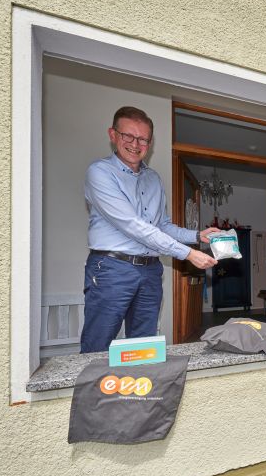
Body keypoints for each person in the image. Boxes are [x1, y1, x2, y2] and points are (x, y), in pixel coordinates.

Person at [81, 106, 218, 353]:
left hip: (150, 272)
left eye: (143, 139)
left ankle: (139, 392)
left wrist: (197, 236)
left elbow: (161, 226)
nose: (135, 144)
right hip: (112, 269)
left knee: (143, 346)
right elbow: (135, 226)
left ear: (150, 143)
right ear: (113, 134)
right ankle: (95, 392)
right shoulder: (100, 172)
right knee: (97, 345)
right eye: (128, 136)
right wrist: (188, 254)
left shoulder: (153, 178)